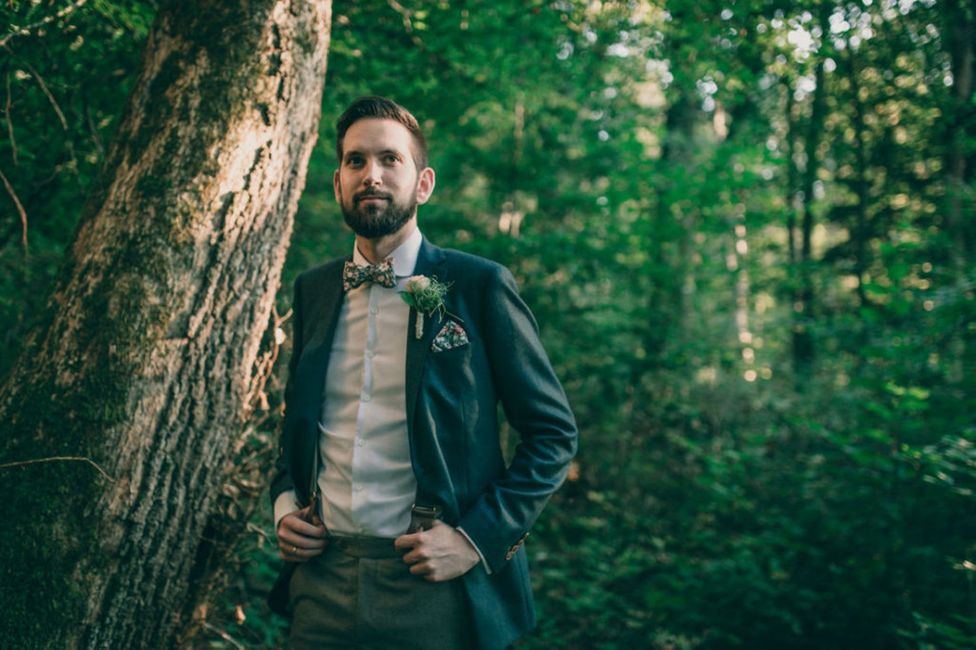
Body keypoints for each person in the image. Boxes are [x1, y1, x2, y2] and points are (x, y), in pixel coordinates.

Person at [268, 96, 578, 650]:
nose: (372, 175)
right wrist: (286, 503)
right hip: (321, 586)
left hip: (433, 586)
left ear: (424, 183)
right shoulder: (313, 290)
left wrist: (475, 540)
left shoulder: (478, 286)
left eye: (390, 159)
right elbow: (299, 421)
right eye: (356, 161)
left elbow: (553, 435)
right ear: (337, 181)